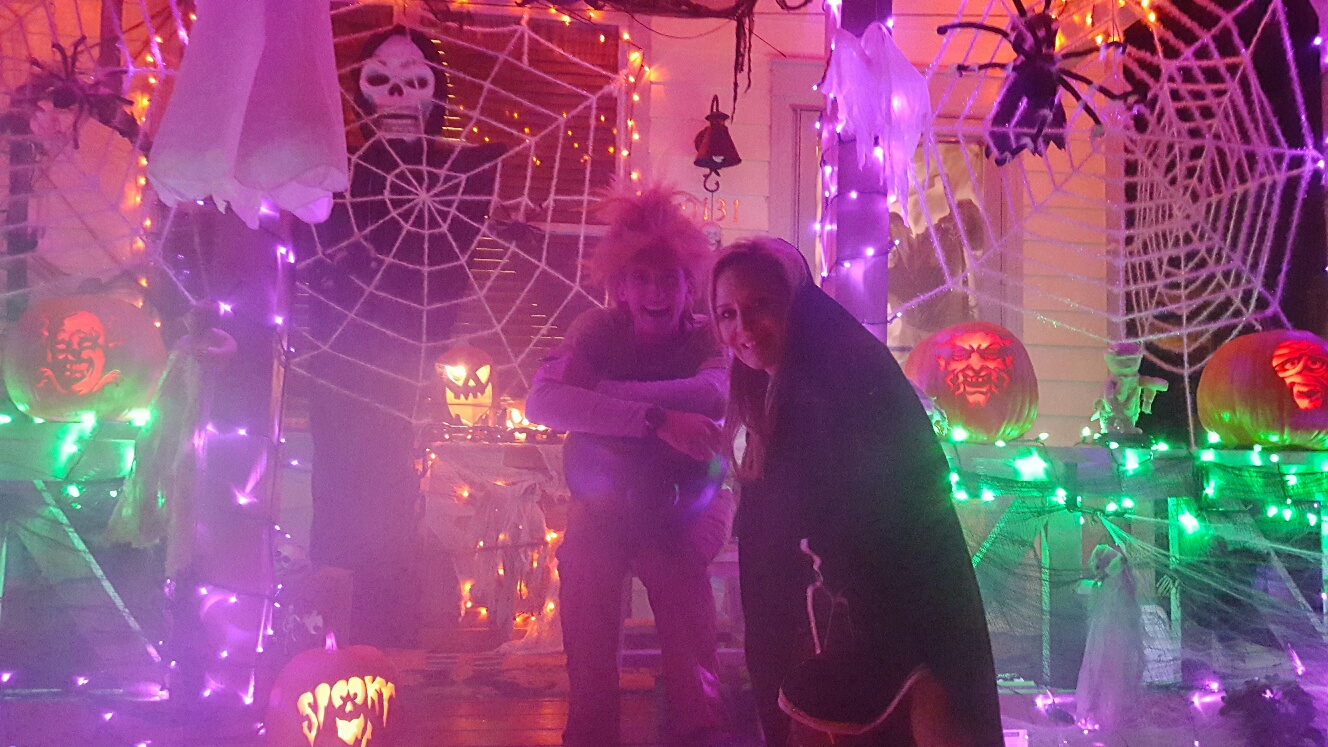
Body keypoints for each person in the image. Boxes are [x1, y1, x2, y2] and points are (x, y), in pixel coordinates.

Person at [710, 237, 1004, 747]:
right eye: (728, 313)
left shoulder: (827, 381)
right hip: (870, 602)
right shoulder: (799, 374)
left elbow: (855, 506)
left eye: (761, 306)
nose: (744, 328)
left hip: (887, 607)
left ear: (795, 304)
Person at [525, 184, 734, 747]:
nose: (656, 291)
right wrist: (657, 419)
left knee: (673, 569)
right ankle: (591, 729)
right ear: (620, 285)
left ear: (690, 286)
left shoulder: (707, 335)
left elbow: (715, 394)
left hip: (694, 501)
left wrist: (600, 395)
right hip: (603, 503)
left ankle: (700, 727)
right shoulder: (594, 330)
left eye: (670, 279)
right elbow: (542, 402)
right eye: (642, 278)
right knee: (584, 571)